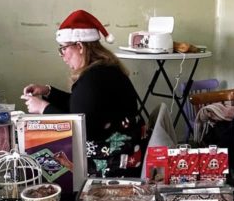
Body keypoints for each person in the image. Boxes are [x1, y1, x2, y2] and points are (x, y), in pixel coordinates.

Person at [22, 10, 144, 177]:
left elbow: (79, 126)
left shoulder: (94, 78)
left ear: (79, 46)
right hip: (125, 150)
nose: (62, 56)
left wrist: (44, 108)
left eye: (64, 49)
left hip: (112, 162)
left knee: (39, 160)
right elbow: (80, 105)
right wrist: (48, 91)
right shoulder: (103, 70)